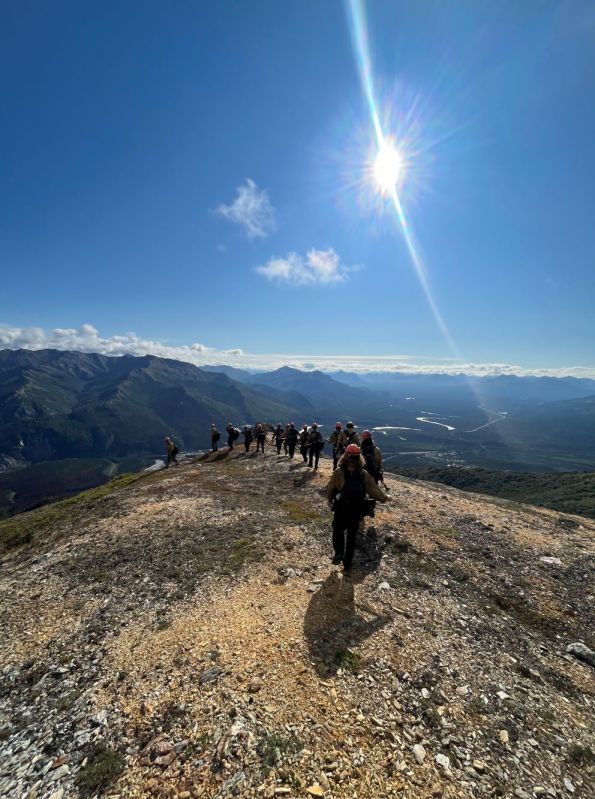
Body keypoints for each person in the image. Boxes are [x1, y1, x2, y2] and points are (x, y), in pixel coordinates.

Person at [326, 444, 388, 571]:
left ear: (345, 456)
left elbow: (331, 487)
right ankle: (347, 565)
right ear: (359, 457)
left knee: (338, 530)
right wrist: (384, 498)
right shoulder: (363, 473)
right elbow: (373, 489)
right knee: (351, 536)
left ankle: (339, 552)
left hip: (341, 506)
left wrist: (329, 499)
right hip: (357, 508)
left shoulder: (339, 471)